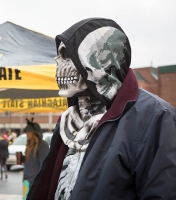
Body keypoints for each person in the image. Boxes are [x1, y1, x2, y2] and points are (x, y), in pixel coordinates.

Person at [27, 18, 176, 200]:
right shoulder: (68, 122)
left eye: (69, 54)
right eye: (59, 55)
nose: (57, 62)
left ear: (102, 59)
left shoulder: (156, 117)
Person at [23, 118, 49, 199]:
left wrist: (40, 184)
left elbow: (44, 166)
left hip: (36, 183)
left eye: (28, 131)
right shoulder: (29, 145)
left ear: (34, 132)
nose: (26, 133)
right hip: (26, 181)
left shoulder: (43, 145)